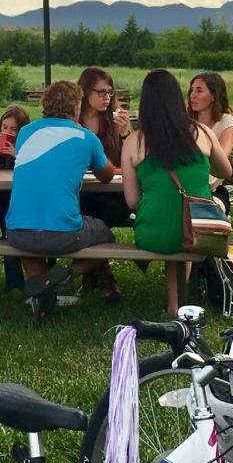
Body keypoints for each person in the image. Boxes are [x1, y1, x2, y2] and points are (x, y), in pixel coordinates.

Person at [122, 69, 232, 316]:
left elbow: (131, 201)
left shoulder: (134, 141)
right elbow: (226, 171)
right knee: (184, 234)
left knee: (172, 229)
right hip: (199, 229)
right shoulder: (203, 133)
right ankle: (177, 303)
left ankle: (176, 304)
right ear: (177, 99)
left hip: (153, 234)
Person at [6, 81, 115, 321]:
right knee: (106, 234)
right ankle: (65, 273)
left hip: (17, 231)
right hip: (63, 233)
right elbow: (107, 176)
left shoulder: (25, 132)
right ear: (77, 106)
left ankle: (42, 290)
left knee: (28, 235)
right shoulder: (85, 137)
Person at [76, 66, 132, 301]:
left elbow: (127, 162)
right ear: (85, 92)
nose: (106, 97)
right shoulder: (72, 121)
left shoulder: (114, 121)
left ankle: (93, 271)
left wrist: (126, 134)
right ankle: (102, 273)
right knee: (82, 209)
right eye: (100, 92)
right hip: (81, 189)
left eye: (109, 92)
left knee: (104, 212)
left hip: (111, 190)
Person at [0, 104, 30, 295]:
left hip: (24, 199)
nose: (8, 132)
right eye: (4, 128)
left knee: (22, 237)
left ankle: (35, 278)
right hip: (5, 201)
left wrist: (16, 154)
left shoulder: (27, 148)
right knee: (9, 238)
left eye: (13, 129)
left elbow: (31, 171)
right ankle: (14, 284)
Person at [188, 72, 233, 211]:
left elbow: (221, 157)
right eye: (191, 90)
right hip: (183, 186)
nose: (193, 95)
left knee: (213, 209)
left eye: (199, 90)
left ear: (214, 96)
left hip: (211, 189)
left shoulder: (227, 122)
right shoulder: (185, 123)